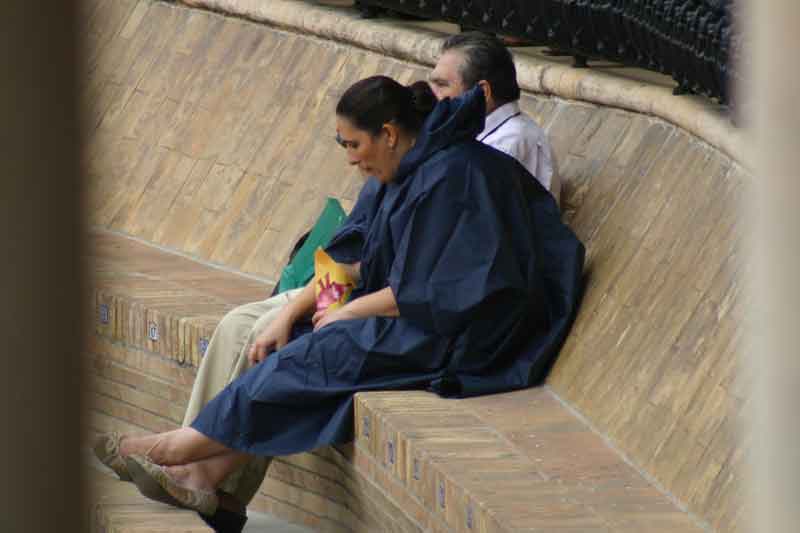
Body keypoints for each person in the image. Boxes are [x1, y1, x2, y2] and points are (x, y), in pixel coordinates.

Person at [93, 75, 584, 527]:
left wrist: (346, 311)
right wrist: (306, 308)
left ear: (389, 134)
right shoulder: (405, 169)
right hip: (415, 313)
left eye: (354, 144)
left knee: (320, 354)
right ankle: (205, 477)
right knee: (298, 343)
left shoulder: (453, 174)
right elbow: (361, 252)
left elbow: (438, 287)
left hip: (467, 333)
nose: (350, 158)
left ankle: (176, 448)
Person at [429, 31, 561, 205]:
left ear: (482, 92)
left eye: (442, 85)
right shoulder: (481, 134)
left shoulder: (509, 144)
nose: (433, 95)